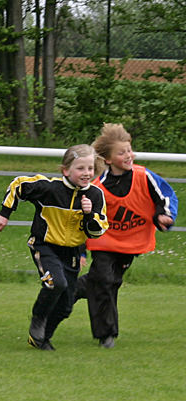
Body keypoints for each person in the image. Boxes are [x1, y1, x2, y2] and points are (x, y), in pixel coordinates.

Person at [0, 144, 108, 350]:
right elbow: (18, 184)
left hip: (72, 252)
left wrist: (89, 214)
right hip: (44, 246)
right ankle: (38, 318)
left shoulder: (95, 195)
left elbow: (98, 230)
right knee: (56, 283)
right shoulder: (49, 188)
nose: (86, 173)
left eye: (90, 168)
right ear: (66, 170)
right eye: (80, 168)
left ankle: (42, 339)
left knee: (66, 307)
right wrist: (5, 213)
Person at [75, 124, 178, 348]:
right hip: (104, 241)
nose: (128, 156)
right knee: (104, 279)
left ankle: (70, 290)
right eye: (121, 153)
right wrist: (80, 251)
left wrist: (164, 215)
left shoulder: (144, 176)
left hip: (130, 244)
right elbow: (82, 221)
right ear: (109, 159)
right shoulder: (97, 187)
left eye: (129, 150)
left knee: (108, 283)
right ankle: (106, 334)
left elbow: (167, 196)